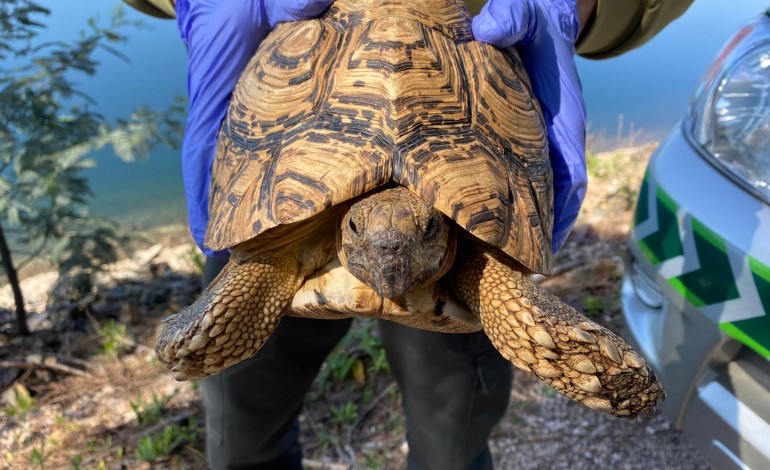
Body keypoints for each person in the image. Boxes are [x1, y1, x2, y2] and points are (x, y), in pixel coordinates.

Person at [124, 0, 695, 468]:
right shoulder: (270, 257)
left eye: (423, 230)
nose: (388, 253)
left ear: (437, 230)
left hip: (483, 29)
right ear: (346, 226)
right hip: (287, 57)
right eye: (358, 231)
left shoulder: (464, 255)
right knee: (243, 431)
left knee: (453, 446)